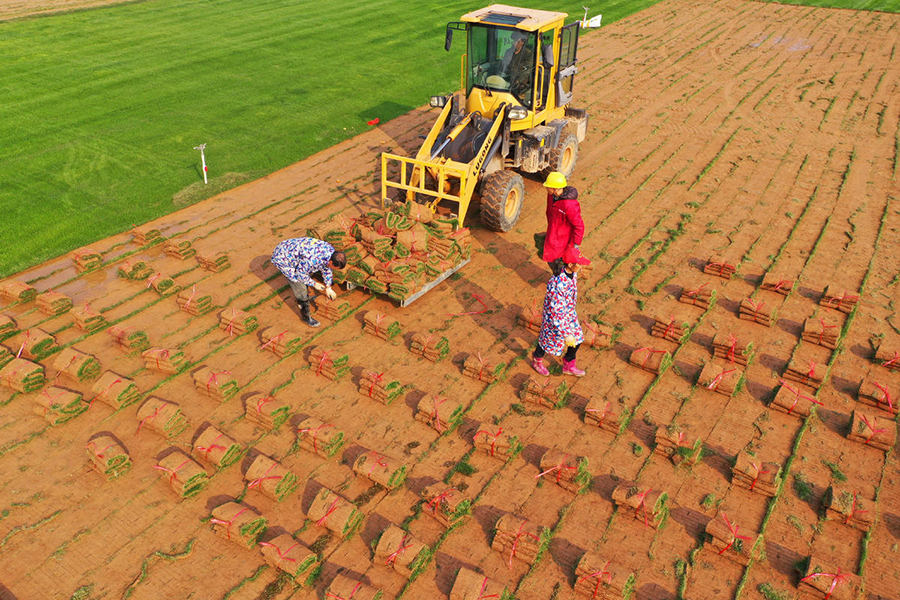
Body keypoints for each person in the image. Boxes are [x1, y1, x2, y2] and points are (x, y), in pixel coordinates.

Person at [532, 246, 591, 377]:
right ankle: (537, 360)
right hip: (554, 318)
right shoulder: (557, 284)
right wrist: (566, 333)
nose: (581, 266)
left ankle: (568, 364)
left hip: (568, 313)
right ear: (570, 264)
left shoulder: (572, 273)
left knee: (577, 339)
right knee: (547, 341)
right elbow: (556, 313)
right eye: (579, 264)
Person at [271, 237, 346, 328]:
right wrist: (314, 284)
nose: (334, 270)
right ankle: (305, 315)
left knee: (308, 273)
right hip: (283, 257)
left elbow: (326, 269)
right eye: (335, 268)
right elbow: (300, 275)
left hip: (295, 252)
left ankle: (306, 296)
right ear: (331, 261)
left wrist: (328, 287)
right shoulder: (312, 260)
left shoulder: (331, 252)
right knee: (298, 282)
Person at [541, 171, 585, 274]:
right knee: (551, 260)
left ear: (556, 189)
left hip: (565, 240)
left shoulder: (569, 205)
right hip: (554, 235)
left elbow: (579, 225)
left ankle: (563, 284)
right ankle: (557, 279)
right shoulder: (551, 196)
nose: (546, 188)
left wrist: (574, 244)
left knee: (564, 266)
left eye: (548, 187)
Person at [502, 33, 534, 102]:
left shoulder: (528, 54)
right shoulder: (508, 52)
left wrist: (518, 80)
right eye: (514, 41)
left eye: (517, 41)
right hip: (507, 78)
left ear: (522, 43)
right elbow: (504, 65)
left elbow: (527, 70)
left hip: (520, 83)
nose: (514, 43)